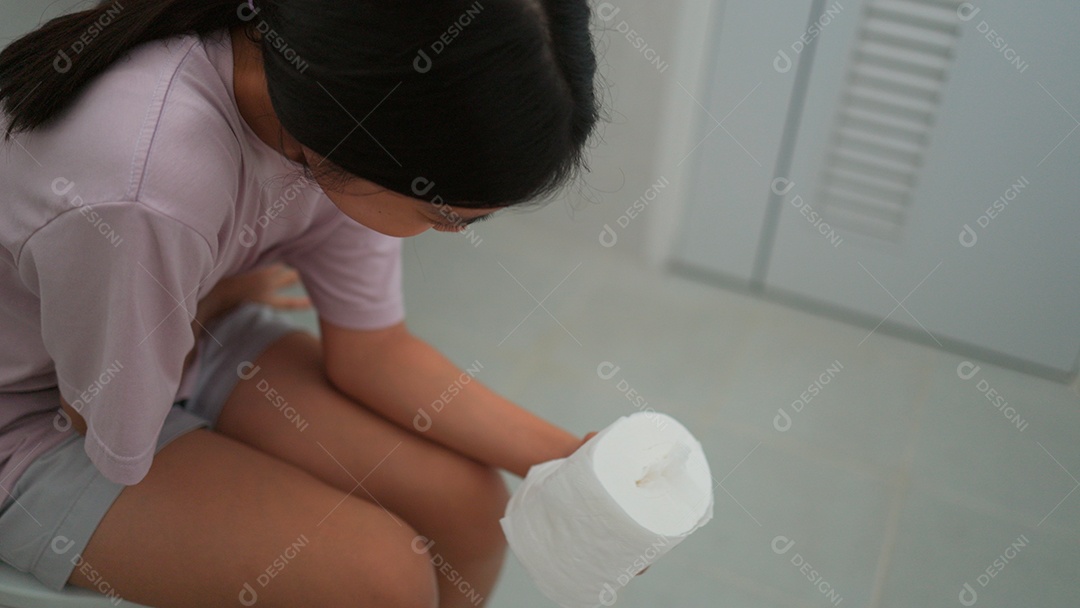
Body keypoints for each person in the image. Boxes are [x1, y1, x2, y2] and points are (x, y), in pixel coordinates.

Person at [0, 0, 604, 606]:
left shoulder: (339, 114)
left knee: (470, 510)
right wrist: (209, 306)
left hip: (184, 328)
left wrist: (585, 469)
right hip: (44, 412)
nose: (458, 229)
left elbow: (375, 353)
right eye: (442, 214)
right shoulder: (150, 188)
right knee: (381, 577)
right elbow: (110, 425)